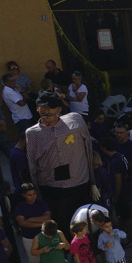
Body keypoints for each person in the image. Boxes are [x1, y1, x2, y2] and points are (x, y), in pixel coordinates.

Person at [26, 91, 95, 231]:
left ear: (59, 109)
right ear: (37, 108)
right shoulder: (32, 134)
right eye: (42, 107)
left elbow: (88, 149)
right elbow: (32, 165)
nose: (46, 111)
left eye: (51, 107)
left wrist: (93, 182)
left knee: (84, 228)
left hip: (79, 185)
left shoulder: (76, 120)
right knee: (60, 230)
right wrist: (37, 194)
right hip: (53, 191)